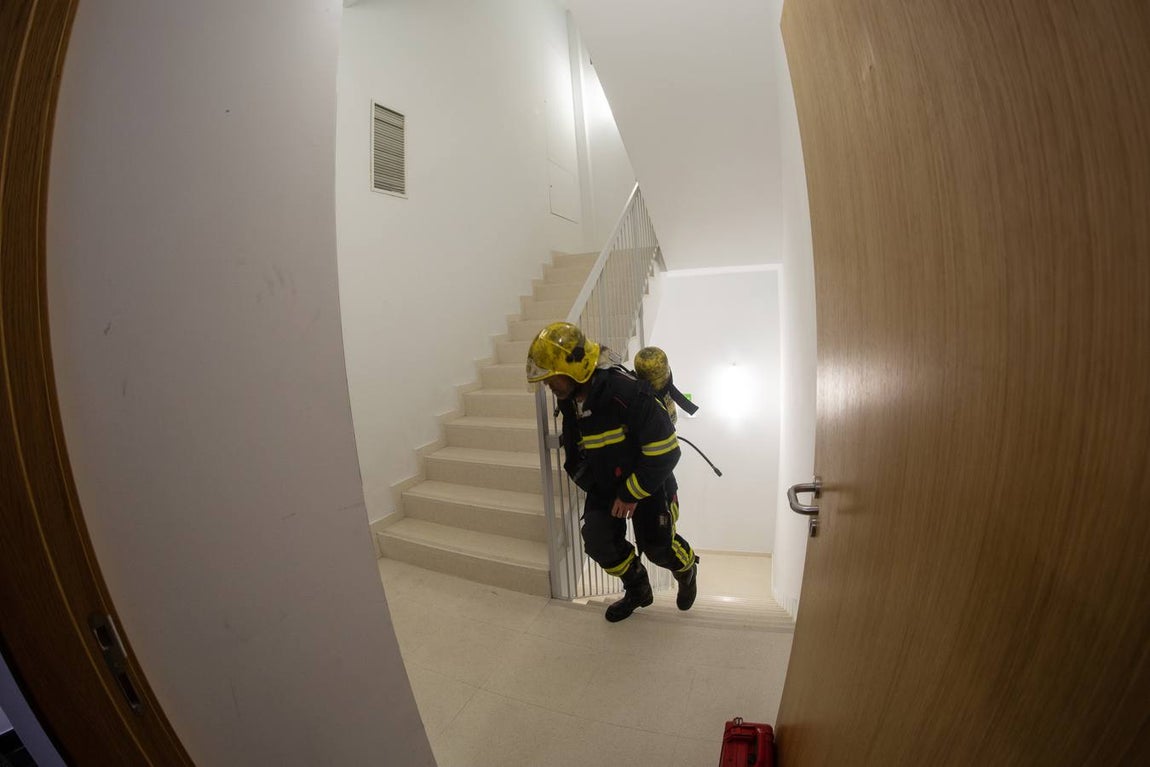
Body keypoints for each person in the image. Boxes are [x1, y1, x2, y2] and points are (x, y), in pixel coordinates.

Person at [526, 321, 699, 622]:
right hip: (607, 486)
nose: (547, 385)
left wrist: (630, 493)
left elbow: (667, 453)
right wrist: (596, 487)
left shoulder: (628, 393)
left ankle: (686, 569)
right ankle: (638, 589)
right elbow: (574, 451)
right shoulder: (570, 402)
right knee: (596, 538)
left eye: (552, 377)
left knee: (658, 548)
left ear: (575, 370)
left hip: (649, 483)